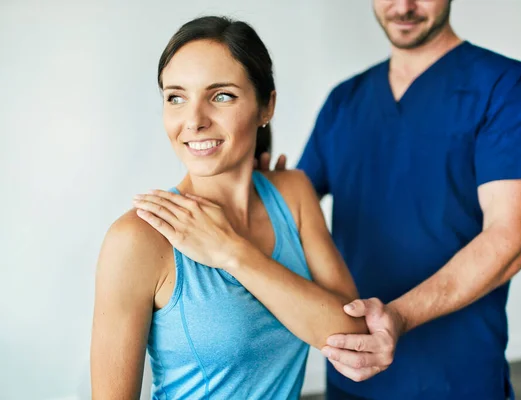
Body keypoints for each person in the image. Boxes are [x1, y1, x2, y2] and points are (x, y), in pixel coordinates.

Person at [259, 0, 521, 399]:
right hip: (352, 369)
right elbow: (291, 211)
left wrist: (397, 317)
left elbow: (510, 239)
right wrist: (254, 187)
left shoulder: (504, 86)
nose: (403, 6)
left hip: (455, 377)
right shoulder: (344, 101)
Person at [90, 16, 368, 400]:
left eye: (221, 96)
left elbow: (354, 336)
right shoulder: (138, 240)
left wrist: (232, 253)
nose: (194, 120)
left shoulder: (292, 193)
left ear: (266, 106)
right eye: (176, 97)